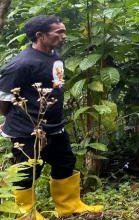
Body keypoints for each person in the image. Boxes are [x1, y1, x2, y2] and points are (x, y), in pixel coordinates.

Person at [0, 15, 103, 219]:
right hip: (28, 128)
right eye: (59, 32)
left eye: (64, 31)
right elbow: (3, 98)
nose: (64, 36)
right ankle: (24, 212)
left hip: (55, 125)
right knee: (27, 171)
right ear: (40, 35)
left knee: (65, 161)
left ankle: (69, 205)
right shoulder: (21, 64)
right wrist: (17, 119)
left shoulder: (54, 55)